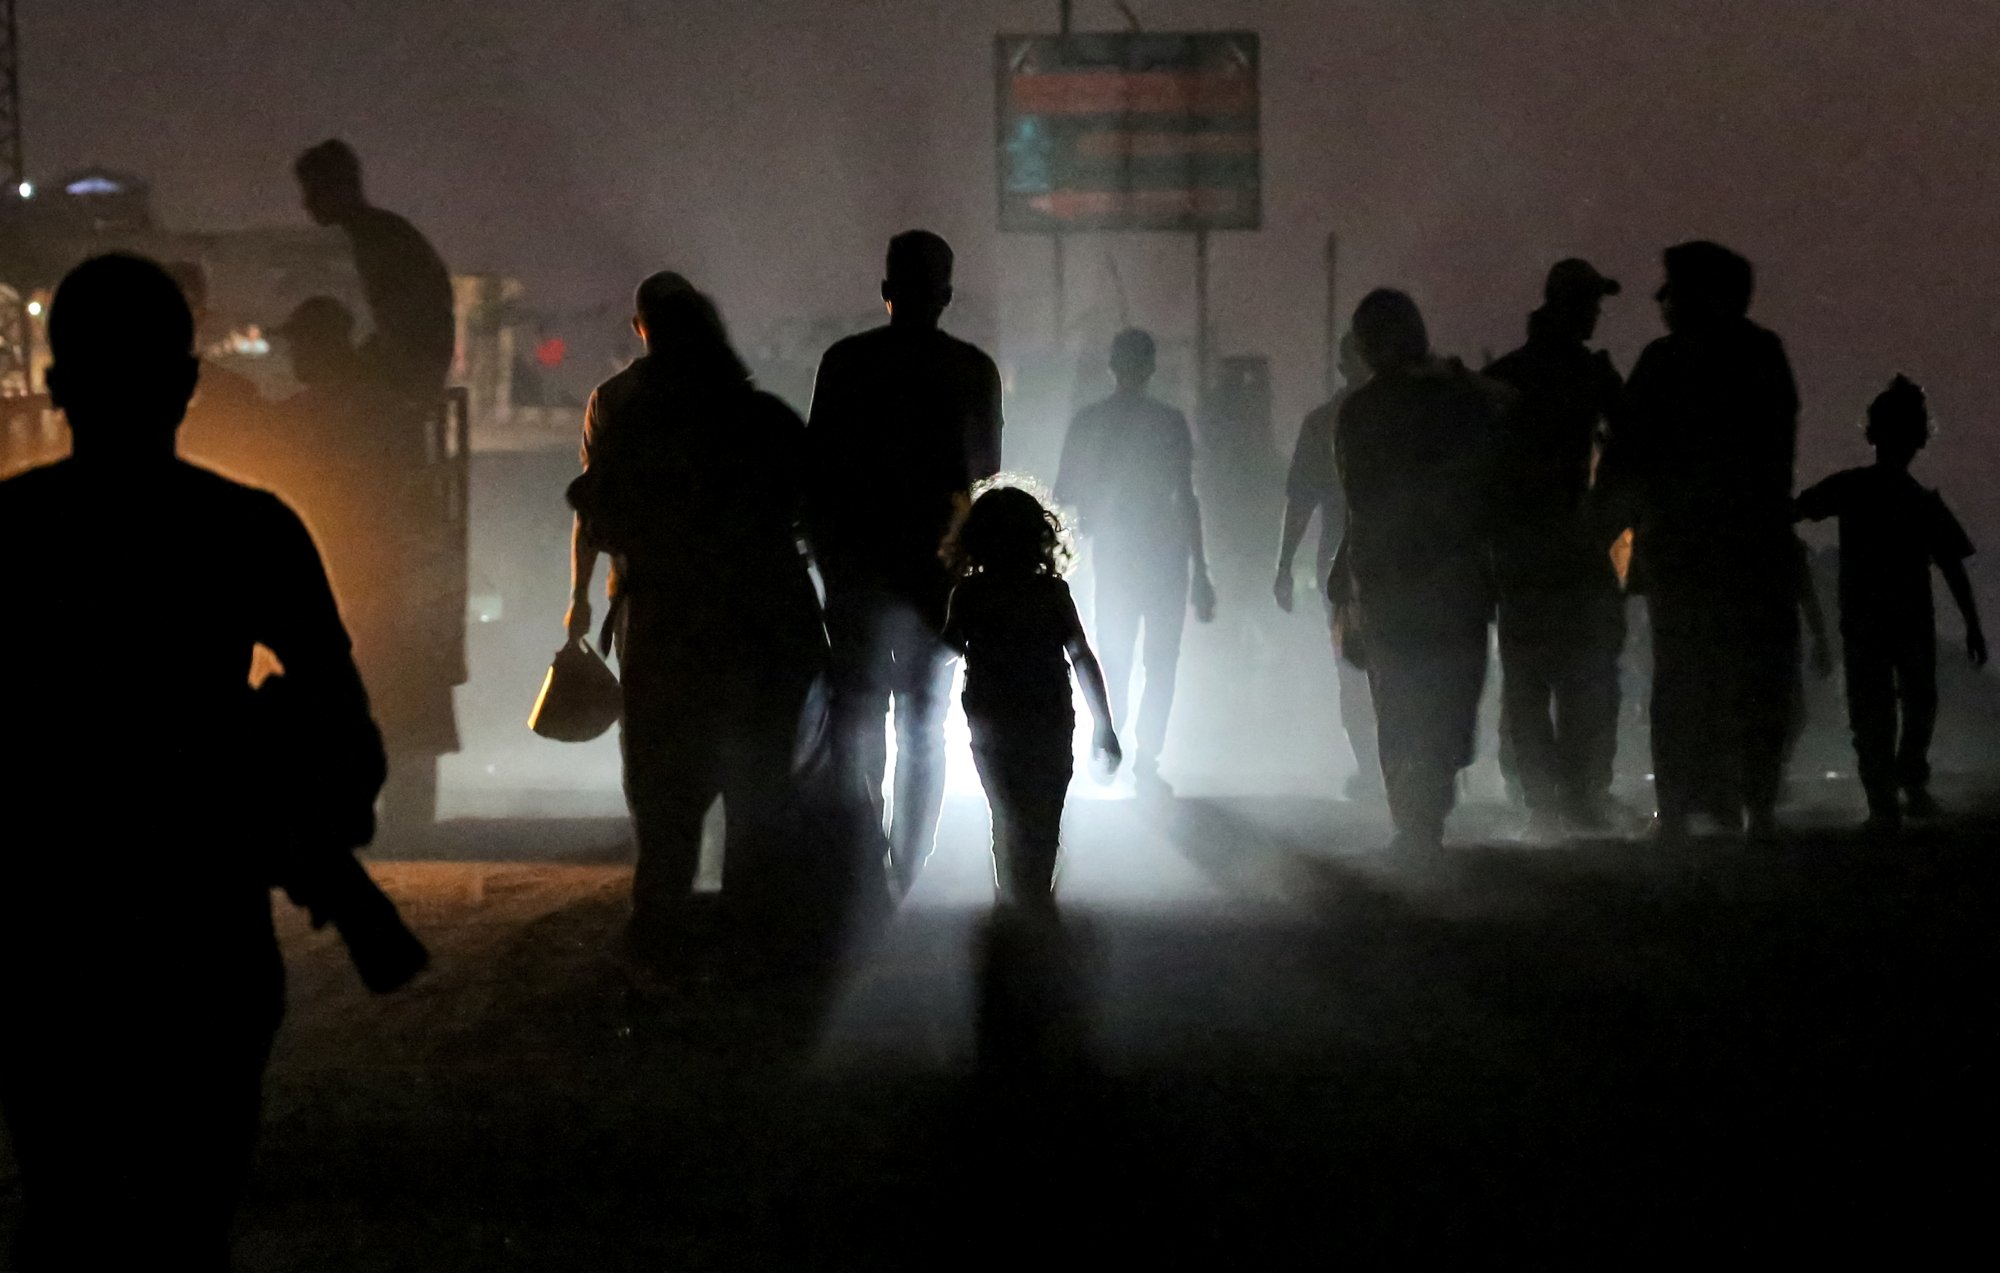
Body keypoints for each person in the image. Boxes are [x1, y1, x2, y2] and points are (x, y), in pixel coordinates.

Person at [0, 254, 419, 1269]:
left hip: (46, 939)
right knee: (189, 1218)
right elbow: (347, 737)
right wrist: (286, 813)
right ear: (187, 383)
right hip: (203, 935)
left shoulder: (9, 534)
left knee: (66, 1205)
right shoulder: (249, 528)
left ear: (55, 388)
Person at [567, 272, 826, 985]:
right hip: (765, 626)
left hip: (667, 627)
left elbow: (598, 515)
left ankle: (661, 930)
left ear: (646, 333)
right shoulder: (765, 419)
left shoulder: (633, 423)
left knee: (665, 787)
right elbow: (817, 516)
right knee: (759, 786)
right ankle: (751, 933)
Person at [806, 230, 1004, 893]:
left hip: (857, 571)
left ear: (886, 290)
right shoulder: (973, 371)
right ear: (946, 295)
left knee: (860, 715)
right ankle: (908, 864)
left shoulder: (845, 363)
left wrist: (830, 561)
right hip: (936, 578)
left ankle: (862, 853)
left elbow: (818, 475)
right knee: (924, 722)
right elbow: (984, 480)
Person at [1600, 241, 1800, 842]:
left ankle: (1679, 809)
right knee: (1753, 679)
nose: (1661, 299)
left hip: (1682, 549)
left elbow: (1625, 455)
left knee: (1683, 679)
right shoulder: (1763, 354)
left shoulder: (1665, 361)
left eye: (1673, 287)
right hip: (1751, 545)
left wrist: (1608, 532)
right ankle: (1753, 806)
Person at [1334, 289, 1507, 853]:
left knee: (1398, 700)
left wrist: (1348, 574)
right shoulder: (1460, 400)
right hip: (1451, 574)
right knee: (1449, 695)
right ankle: (1427, 806)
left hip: (1391, 578)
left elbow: (1361, 501)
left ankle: (1415, 819)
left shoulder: (1361, 411)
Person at [1796, 374, 1986, 833]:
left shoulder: (1855, 487)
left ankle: (1885, 802)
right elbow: (1953, 568)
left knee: (1872, 710)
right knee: (1915, 703)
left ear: (1873, 435)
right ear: (1918, 440)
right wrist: (1972, 624)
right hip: (1908, 618)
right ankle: (1907, 785)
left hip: (1864, 618)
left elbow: (1795, 509)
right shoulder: (1919, 501)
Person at [1482, 258, 1629, 836]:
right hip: (1571, 543)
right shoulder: (1588, 376)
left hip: (1523, 548)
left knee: (1529, 680)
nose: (1596, 315)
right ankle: (1576, 796)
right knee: (1581, 677)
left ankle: (1545, 801)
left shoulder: (1508, 375)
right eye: (1590, 304)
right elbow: (1634, 439)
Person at [943, 484, 1120, 911]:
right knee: (1043, 813)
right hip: (1050, 720)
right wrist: (1104, 724)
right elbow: (1081, 656)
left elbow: (944, 650)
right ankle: (1035, 894)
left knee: (1005, 813)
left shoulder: (970, 594)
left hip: (992, 721)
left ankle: (1012, 897)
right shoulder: (1050, 593)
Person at [1054, 328, 1214, 797]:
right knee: (1160, 660)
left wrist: (1094, 512)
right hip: (1164, 554)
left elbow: (1065, 491)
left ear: (1112, 366)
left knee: (1114, 655)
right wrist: (1201, 570)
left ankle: (1110, 740)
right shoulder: (1169, 422)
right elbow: (1186, 497)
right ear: (1152, 367)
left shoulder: (1090, 421)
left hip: (1117, 554)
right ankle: (1145, 758)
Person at [1275, 330, 1380, 800]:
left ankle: (1373, 768)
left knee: (1353, 670)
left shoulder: (1324, 422)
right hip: (1386, 563)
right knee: (1383, 667)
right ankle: (1388, 766)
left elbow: (1301, 501)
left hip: (1342, 565)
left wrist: (1284, 566)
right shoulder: (1402, 417)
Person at [294, 139, 455, 406]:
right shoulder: (381, 232)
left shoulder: (376, 240)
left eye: (313, 191)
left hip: (403, 381)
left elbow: (404, 327)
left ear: (337, 188)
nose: (306, 204)